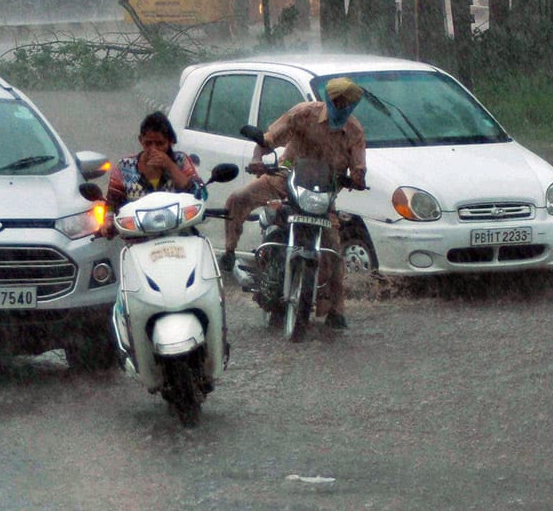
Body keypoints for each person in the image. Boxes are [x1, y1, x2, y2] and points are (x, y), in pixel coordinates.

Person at [218, 77, 367, 330]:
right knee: (238, 198)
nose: (343, 108)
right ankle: (230, 252)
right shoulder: (303, 114)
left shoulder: (354, 131)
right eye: (338, 102)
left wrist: (357, 178)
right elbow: (268, 140)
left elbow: (359, 167)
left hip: (322, 194)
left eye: (348, 105)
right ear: (328, 100)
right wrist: (257, 159)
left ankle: (336, 310)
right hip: (287, 177)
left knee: (332, 247)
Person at [101, 111, 203, 236]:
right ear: (140, 140)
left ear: (170, 142)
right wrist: (107, 222)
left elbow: (199, 195)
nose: (153, 149)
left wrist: (170, 166)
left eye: (160, 143)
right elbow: (112, 204)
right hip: (138, 242)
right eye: (148, 143)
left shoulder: (180, 161)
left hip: (180, 237)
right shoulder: (124, 167)